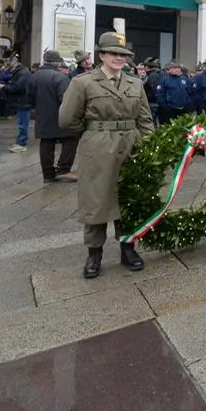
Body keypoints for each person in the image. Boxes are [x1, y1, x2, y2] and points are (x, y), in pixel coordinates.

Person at [59, 31, 155, 279]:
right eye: (113, 53)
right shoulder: (83, 82)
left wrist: (149, 145)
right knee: (97, 200)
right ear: (102, 55)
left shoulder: (135, 83)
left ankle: (128, 248)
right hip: (98, 148)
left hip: (131, 145)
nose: (119, 58)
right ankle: (94, 253)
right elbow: (68, 120)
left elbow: (144, 119)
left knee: (129, 198)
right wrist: (95, 134)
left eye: (123, 55)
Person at [28, 50, 77, 183]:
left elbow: (29, 97)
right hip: (59, 117)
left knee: (46, 143)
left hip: (42, 116)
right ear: (56, 62)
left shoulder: (34, 76)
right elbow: (65, 100)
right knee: (71, 140)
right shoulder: (60, 77)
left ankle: (48, 175)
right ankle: (63, 169)